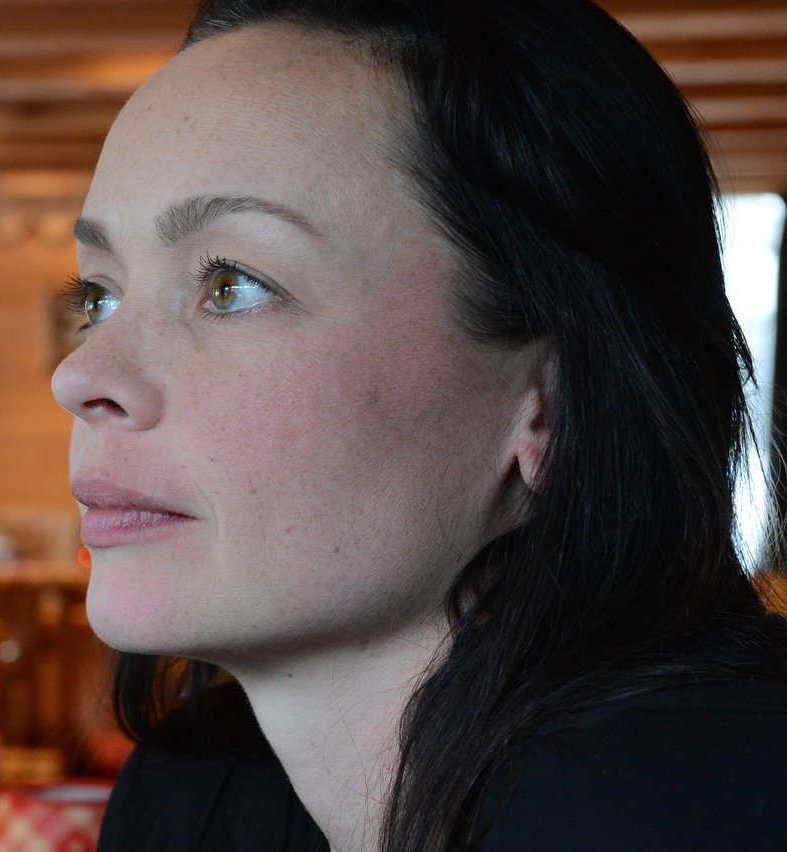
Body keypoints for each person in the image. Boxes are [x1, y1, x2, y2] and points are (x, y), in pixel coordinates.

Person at [50, 0, 787, 849]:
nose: (82, 377)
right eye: (98, 296)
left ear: (550, 401)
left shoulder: (699, 809)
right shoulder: (196, 799)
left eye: (232, 284)